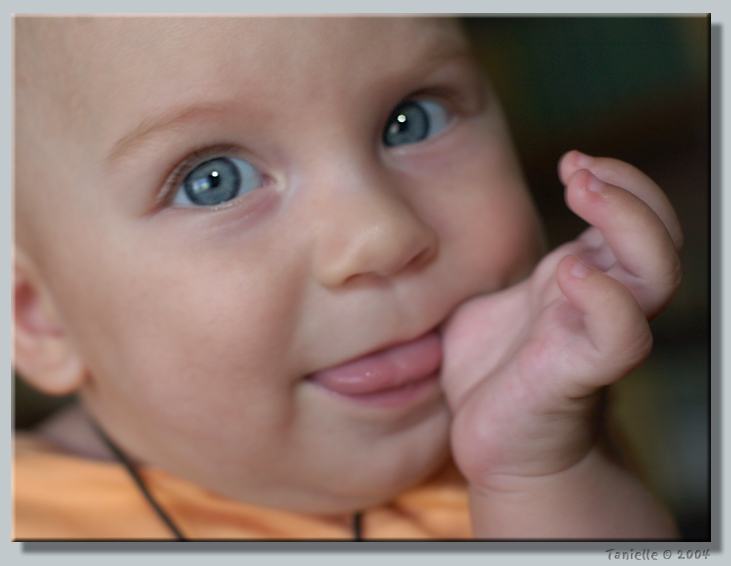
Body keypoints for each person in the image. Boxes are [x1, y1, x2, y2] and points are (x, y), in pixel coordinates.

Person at [12, 16, 682, 539]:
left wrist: (543, 472)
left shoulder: (537, 442)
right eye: (213, 182)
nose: (382, 235)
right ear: (39, 317)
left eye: (410, 119)